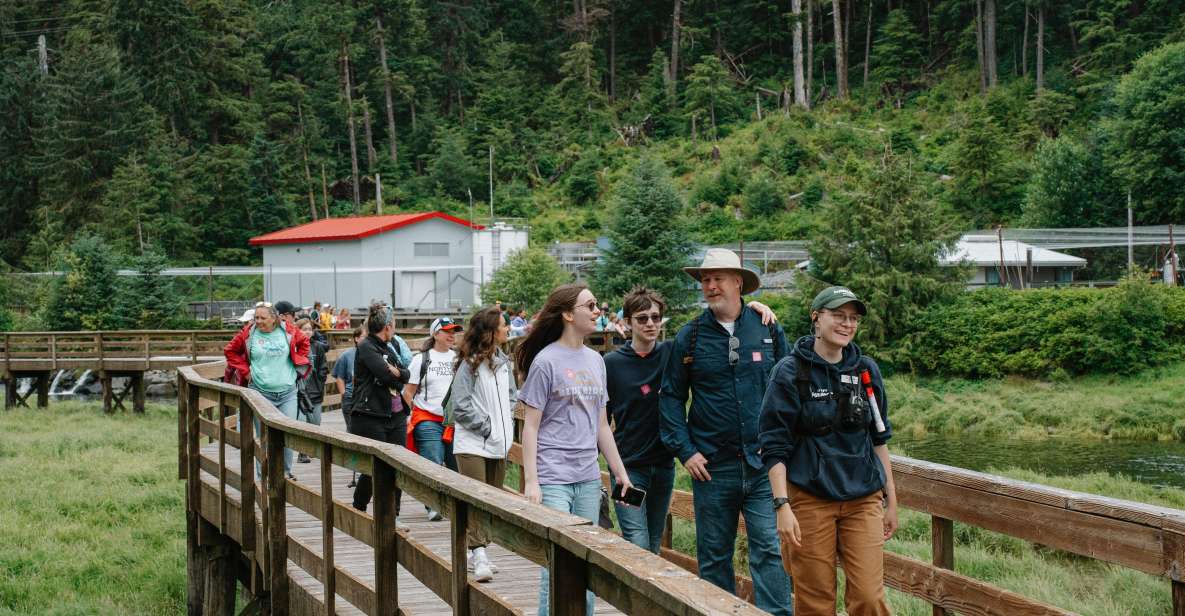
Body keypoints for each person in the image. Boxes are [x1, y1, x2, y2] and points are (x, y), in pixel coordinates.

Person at [659, 248, 793, 615]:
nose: (710, 286)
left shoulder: (765, 327)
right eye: (705, 280)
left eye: (718, 278)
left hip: (763, 466)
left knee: (769, 549)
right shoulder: (690, 337)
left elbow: (789, 383)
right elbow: (671, 398)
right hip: (713, 468)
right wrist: (685, 450)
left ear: (738, 283)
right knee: (715, 555)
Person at [606, 287, 779, 554]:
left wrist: (755, 307)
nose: (650, 323)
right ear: (627, 322)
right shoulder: (611, 363)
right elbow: (600, 418)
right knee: (635, 540)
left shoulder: (670, 353)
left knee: (653, 541)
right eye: (641, 318)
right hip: (626, 469)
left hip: (663, 467)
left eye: (655, 317)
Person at [760, 287, 897, 616]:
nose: (847, 324)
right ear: (816, 318)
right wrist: (782, 506)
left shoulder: (865, 371)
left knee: (868, 596)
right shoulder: (790, 373)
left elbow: (879, 437)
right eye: (838, 315)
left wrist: (891, 497)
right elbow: (773, 446)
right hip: (810, 499)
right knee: (816, 600)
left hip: (863, 499)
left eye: (853, 318)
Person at [517, 283, 634, 616]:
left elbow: (600, 427)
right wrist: (532, 482)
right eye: (591, 305)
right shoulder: (545, 361)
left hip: (586, 476)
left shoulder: (596, 361)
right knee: (557, 561)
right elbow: (532, 426)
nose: (598, 311)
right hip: (553, 475)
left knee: (585, 561)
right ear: (568, 314)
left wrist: (619, 473)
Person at [450, 307, 516, 583]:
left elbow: (512, 395)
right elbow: (461, 406)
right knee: (476, 501)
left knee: (492, 500)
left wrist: (506, 426)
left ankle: (480, 551)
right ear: (490, 331)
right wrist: (488, 428)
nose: (508, 329)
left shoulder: (503, 363)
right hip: (473, 445)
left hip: (499, 444)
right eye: (504, 325)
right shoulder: (469, 365)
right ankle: (478, 556)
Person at [223, 302, 310, 479]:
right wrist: (246, 372)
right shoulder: (249, 333)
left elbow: (304, 343)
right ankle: (263, 477)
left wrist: (297, 362)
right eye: (256, 317)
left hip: (287, 393)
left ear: (274, 318)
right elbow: (230, 351)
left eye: (263, 318)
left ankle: (284, 474)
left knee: (286, 434)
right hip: (260, 393)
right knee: (264, 438)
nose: (259, 321)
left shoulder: (288, 330)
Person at [347, 303, 411, 530]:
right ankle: (360, 505)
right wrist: (396, 373)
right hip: (370, 415)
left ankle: (392, 514)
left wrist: (397, 373)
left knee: (398, 465)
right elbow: (386, 375)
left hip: (395, 415)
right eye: (393, 326)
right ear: (388, 326)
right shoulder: (366, 346)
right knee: (374, 467)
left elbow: (406, 372)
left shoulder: (390, 346)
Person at [403, 317, 462, 521]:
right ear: (435, 334)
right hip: (427, 419)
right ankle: (433, 505)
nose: (451, 335)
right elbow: (408, 392)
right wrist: (413, 413)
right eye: (447, 331)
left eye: (454, 331)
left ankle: (455, 506)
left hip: (453, 422)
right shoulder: (422, 359)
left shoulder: (458, 358)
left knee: (456, 466)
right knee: (433, 462)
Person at [295, 318, 329, 463]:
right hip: (299, 391)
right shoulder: (294, 346)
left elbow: (324, 368)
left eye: (310, 329)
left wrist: (320, 383)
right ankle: (302, 453)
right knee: (302, 422)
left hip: (315, 391)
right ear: (298, 330)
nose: (308, 331)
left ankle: (313, 449)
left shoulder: (318, 347)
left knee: (315, 422)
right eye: (304, 329)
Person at [332, 326, 366, 428]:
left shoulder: (372, 354)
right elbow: (339, 377)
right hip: (350, 398)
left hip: (366, 399)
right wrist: (344, 393)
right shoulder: (346, 356)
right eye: (364, 337)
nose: (367, 339)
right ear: (356, 338)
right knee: (352, 429)